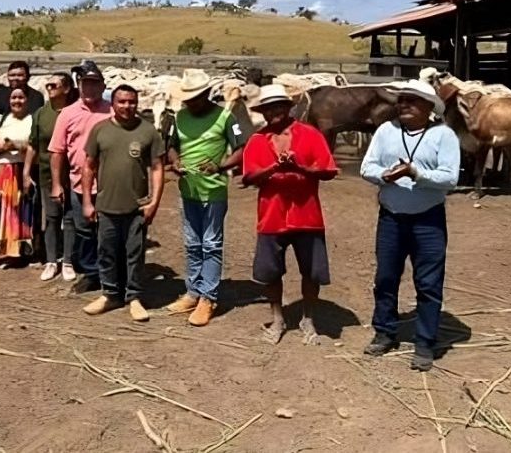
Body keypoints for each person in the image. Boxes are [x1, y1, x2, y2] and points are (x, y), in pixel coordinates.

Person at [360, 80, 460, 372]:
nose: (404, 105)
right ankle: (384, 331)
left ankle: (425, 342)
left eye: (412, 101)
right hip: (391, 217)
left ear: (429, 108)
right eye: (401, 100)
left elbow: (450, 178)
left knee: (428, 282)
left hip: (428, 219)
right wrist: (385, 175)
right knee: (386, 277)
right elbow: (367, 166)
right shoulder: (386, 131)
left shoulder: (444, 136)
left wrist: (415, 172)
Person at [242, 85, 338, 345]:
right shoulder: (256, 140)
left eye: (278, 107)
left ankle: (308, 317)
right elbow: (249, 177)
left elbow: (329, 170)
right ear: (262, 112)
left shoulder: (310, 135)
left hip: (307, 215)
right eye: (267, 108)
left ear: (288, 107)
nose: (273, 112)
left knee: (312, 271)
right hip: (272, 216)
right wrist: (275, 167)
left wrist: (302, 168)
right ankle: (278, 318)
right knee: (271, 271)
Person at [165, 69, 247, 326]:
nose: (190, 103)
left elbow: (242, 148)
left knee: (210, 243)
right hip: (187, 190)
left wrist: (221, 167)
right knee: (192, 243)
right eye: (187, 99)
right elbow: (171, 147)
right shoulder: (178, 118)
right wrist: (175, 162)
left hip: (213, 192)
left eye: (195, 98)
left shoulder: (226, 117)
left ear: (206, 94)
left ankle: (208, 298)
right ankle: (192, 291)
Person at [81, 85, 165, 322]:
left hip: (137, 207)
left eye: (132, 102)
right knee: (106, 251)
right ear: (113, 103)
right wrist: (88, 201)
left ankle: (134, 297)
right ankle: (110, 294)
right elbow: (89, 167)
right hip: (106, 204)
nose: (127, 106)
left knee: (134, 253)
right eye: (122, 102)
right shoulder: (100, 130)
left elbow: (158, 168)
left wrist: (154, 202)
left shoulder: (148, 132)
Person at [48, 61, 111, 293]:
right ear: (79, 85)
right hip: (78, 183)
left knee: (108, 230)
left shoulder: (112, 111)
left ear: (103, 86)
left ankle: (109, 272)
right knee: (84, 230)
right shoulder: (67, 113)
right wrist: (56, 184)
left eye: (95, 84)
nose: (90, 89)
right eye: (86, 84)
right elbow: (57, 151)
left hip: (108, 184)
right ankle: (90, 272)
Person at [24, 72, 78, 281]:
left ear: (66, 89)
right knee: (51, 217)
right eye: (47, 85)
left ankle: (68, 261)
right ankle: (50, 260)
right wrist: (26, 172)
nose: (49, 88)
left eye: (54, 85)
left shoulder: (75, 112)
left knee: (71, 218)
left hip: (73, 174)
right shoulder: (40, 114)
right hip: (47, 173)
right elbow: (33, 145)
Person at [0, 87, 34, 263]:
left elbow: (35, 148)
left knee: (23, 208)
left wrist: (19, 148)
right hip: (4, 170)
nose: (17, 101)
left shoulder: (33, 120)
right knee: (5, 208)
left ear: (27, 99)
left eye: (21, 97)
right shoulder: (0, 119)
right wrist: (4, 148)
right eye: (13, 97)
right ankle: (8, 249)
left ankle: (23, 249)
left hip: (24, 168)